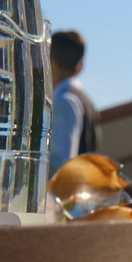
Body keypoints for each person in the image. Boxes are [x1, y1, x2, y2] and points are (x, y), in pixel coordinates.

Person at [46, 29, 99, 173]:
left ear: (50, 62)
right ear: (81, 65)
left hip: (61, 194)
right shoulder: (85, 101)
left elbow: (61, 164)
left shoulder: (65, 101)